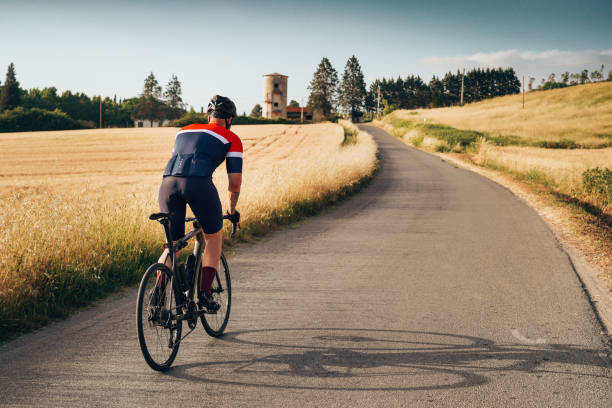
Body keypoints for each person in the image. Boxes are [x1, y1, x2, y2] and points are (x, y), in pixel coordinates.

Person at [157, 95, 242, 310]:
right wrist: (232, 210)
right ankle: (204, 295)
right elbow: (234, 183)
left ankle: (156, 298)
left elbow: (179, 162)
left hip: (167, 184)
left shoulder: (183, 130)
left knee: (172, 246)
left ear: (208, 116)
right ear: (230, 119)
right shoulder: (231, 138)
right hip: (198, 184)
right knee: (213, 239)